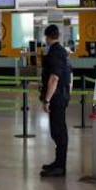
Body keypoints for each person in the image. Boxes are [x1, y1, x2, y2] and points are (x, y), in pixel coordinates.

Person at [39, 24, 71, 177]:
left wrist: (47, 100)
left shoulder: (55, 53)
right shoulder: (61, 51)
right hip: (61, 96)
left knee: (58, 132)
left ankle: (60, 167)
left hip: (56, 98)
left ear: (47, 37)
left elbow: (54, 78)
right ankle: (58, 163)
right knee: (56, 131)